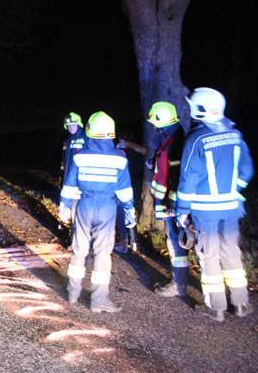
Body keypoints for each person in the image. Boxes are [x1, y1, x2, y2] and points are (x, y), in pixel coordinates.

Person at [177, 87, 254, 322]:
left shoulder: (196, 139)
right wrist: (233, 190)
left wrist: (182, 210)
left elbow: (189, 178)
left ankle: (216, 307)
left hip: (205, 210)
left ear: (199, 110)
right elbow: (247, 170)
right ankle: (240, 303)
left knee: (208, 255)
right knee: (231, 251)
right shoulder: (235, 135)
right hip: (230, 208)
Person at [59, 111, 136, 313]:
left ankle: (72, 293)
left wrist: (64, 206)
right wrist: (129, 210)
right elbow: (125, 190)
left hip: (84, 205)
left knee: (79, 249)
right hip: (107, 207)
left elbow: (69, 185)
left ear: (90, 131)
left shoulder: (80, 155)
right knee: (102, 253)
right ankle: (98, 300)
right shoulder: (120, 158)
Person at [145, 101, 189, 297]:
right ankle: (178, 280)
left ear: (160, 121)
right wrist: (153, 163)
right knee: (172, 239)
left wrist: (171, 204)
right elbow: (164, 167)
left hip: (172, 202)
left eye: (154, 122)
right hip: (166, 200)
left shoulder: (176, 144)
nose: (152, 126)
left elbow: (176, 176)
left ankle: (178, 284)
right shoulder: (167, 139)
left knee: (175, 241)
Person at [59, 112, 87, 190]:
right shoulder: (68, 141)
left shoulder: (85, 139)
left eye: (73, 125)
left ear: (78, 124)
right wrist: (62, 180)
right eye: (68, 125)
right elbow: (65, 162)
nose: (70, 127)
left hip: (80, 180)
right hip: (68, 178)